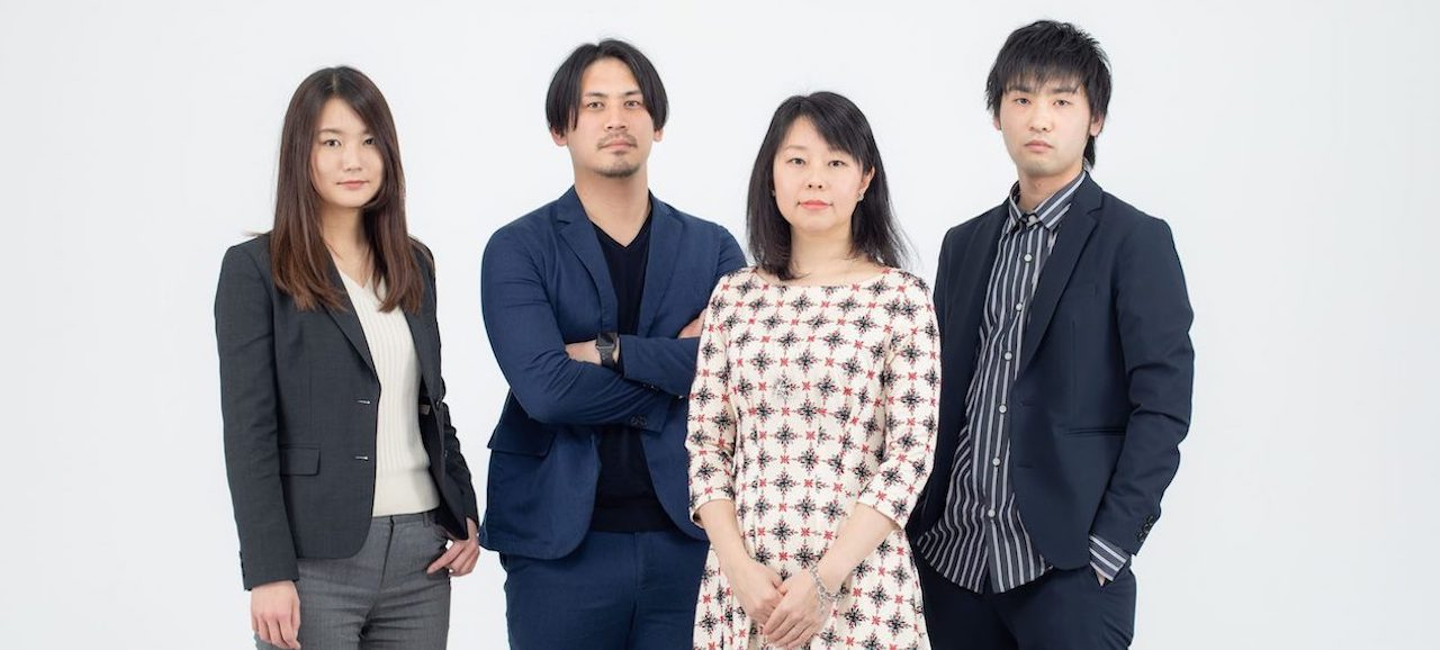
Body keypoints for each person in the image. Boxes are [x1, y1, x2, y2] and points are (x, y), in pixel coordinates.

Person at [908, 20, 1195, 649]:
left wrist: (1110, 546)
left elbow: (1164, 406)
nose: (1040, 118)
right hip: (954, 561)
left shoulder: (1135, 241)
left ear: (1096, 120)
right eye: (1022, 98)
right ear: (998, 115)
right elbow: (937, 392)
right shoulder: (964, 244)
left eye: (1062, 101)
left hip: (1068, 569)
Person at [478, 39, 746, 650]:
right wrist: (674, 378)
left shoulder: (713, 248)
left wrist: (608, 351)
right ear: (561, 130)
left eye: (632, 103)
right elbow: (548, 392)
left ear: (658, 123)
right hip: (557, 549)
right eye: (595, 105)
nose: (616, 119)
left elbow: (734, 374)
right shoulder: (518, 248)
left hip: (692, 538)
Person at [215, 66, 480, 650]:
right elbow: (249, 433)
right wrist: (266, 571)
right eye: (331, 142)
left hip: (420, 556)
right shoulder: (255, 270)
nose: (353, 160)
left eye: (368, 141)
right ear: (301, 155)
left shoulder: (413, 264)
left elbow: (430, 402)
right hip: (314, 562)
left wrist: (462, 508)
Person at [687, 91, 940, 650]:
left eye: (836, 162)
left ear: (865, 179)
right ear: (771, 176)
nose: (815, 179)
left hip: (863, 588)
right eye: (797, 160)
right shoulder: (734, 296)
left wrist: (824, 580)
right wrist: (738, 570)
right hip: (747, 592)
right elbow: (706, 446)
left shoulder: (902, 299)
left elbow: (909, 457)